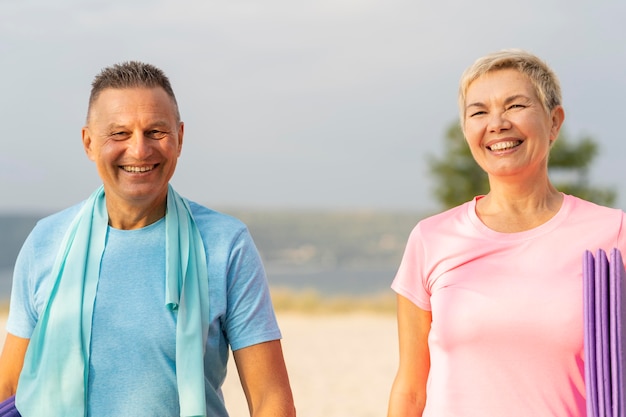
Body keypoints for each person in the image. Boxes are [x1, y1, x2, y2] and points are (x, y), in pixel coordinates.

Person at [0, 61, 295, 417]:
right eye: (119, 134)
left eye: (156, 131)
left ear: (180, 138)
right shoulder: (46, 241)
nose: (139, 150)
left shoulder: (226, 244)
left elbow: (270, 399)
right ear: (89, 143)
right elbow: (11, 387)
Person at [387, 49, 626, 416]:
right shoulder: (430, 239)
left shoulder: (613, 234)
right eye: (479, 111)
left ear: (554, 122)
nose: (497, 123)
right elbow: (411, 391)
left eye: (515, 106)